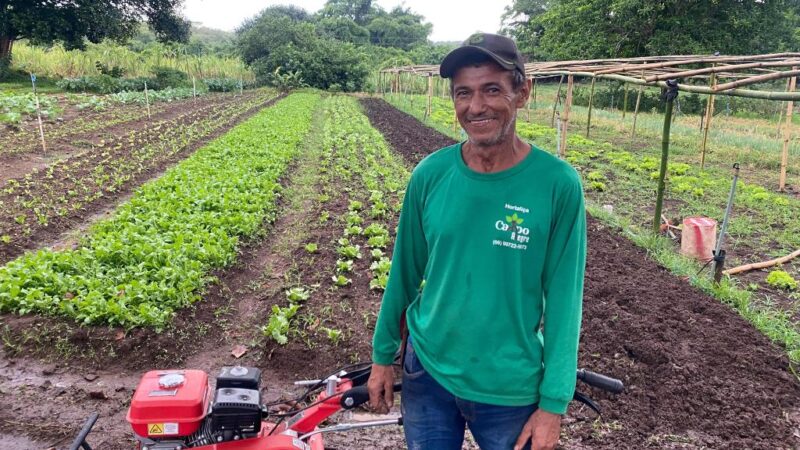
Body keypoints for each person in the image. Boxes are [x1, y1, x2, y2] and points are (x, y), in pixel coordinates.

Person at [367, 32, 586, 450]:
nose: (475, 106)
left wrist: (554, 404)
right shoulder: (431, 175)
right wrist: (382, 356)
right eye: (462, 93)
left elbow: (564, 301)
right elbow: (403, 274)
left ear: (522, 92)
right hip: (426, 371)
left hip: (509, 387)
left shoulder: (557, 185)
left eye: (492, 90)